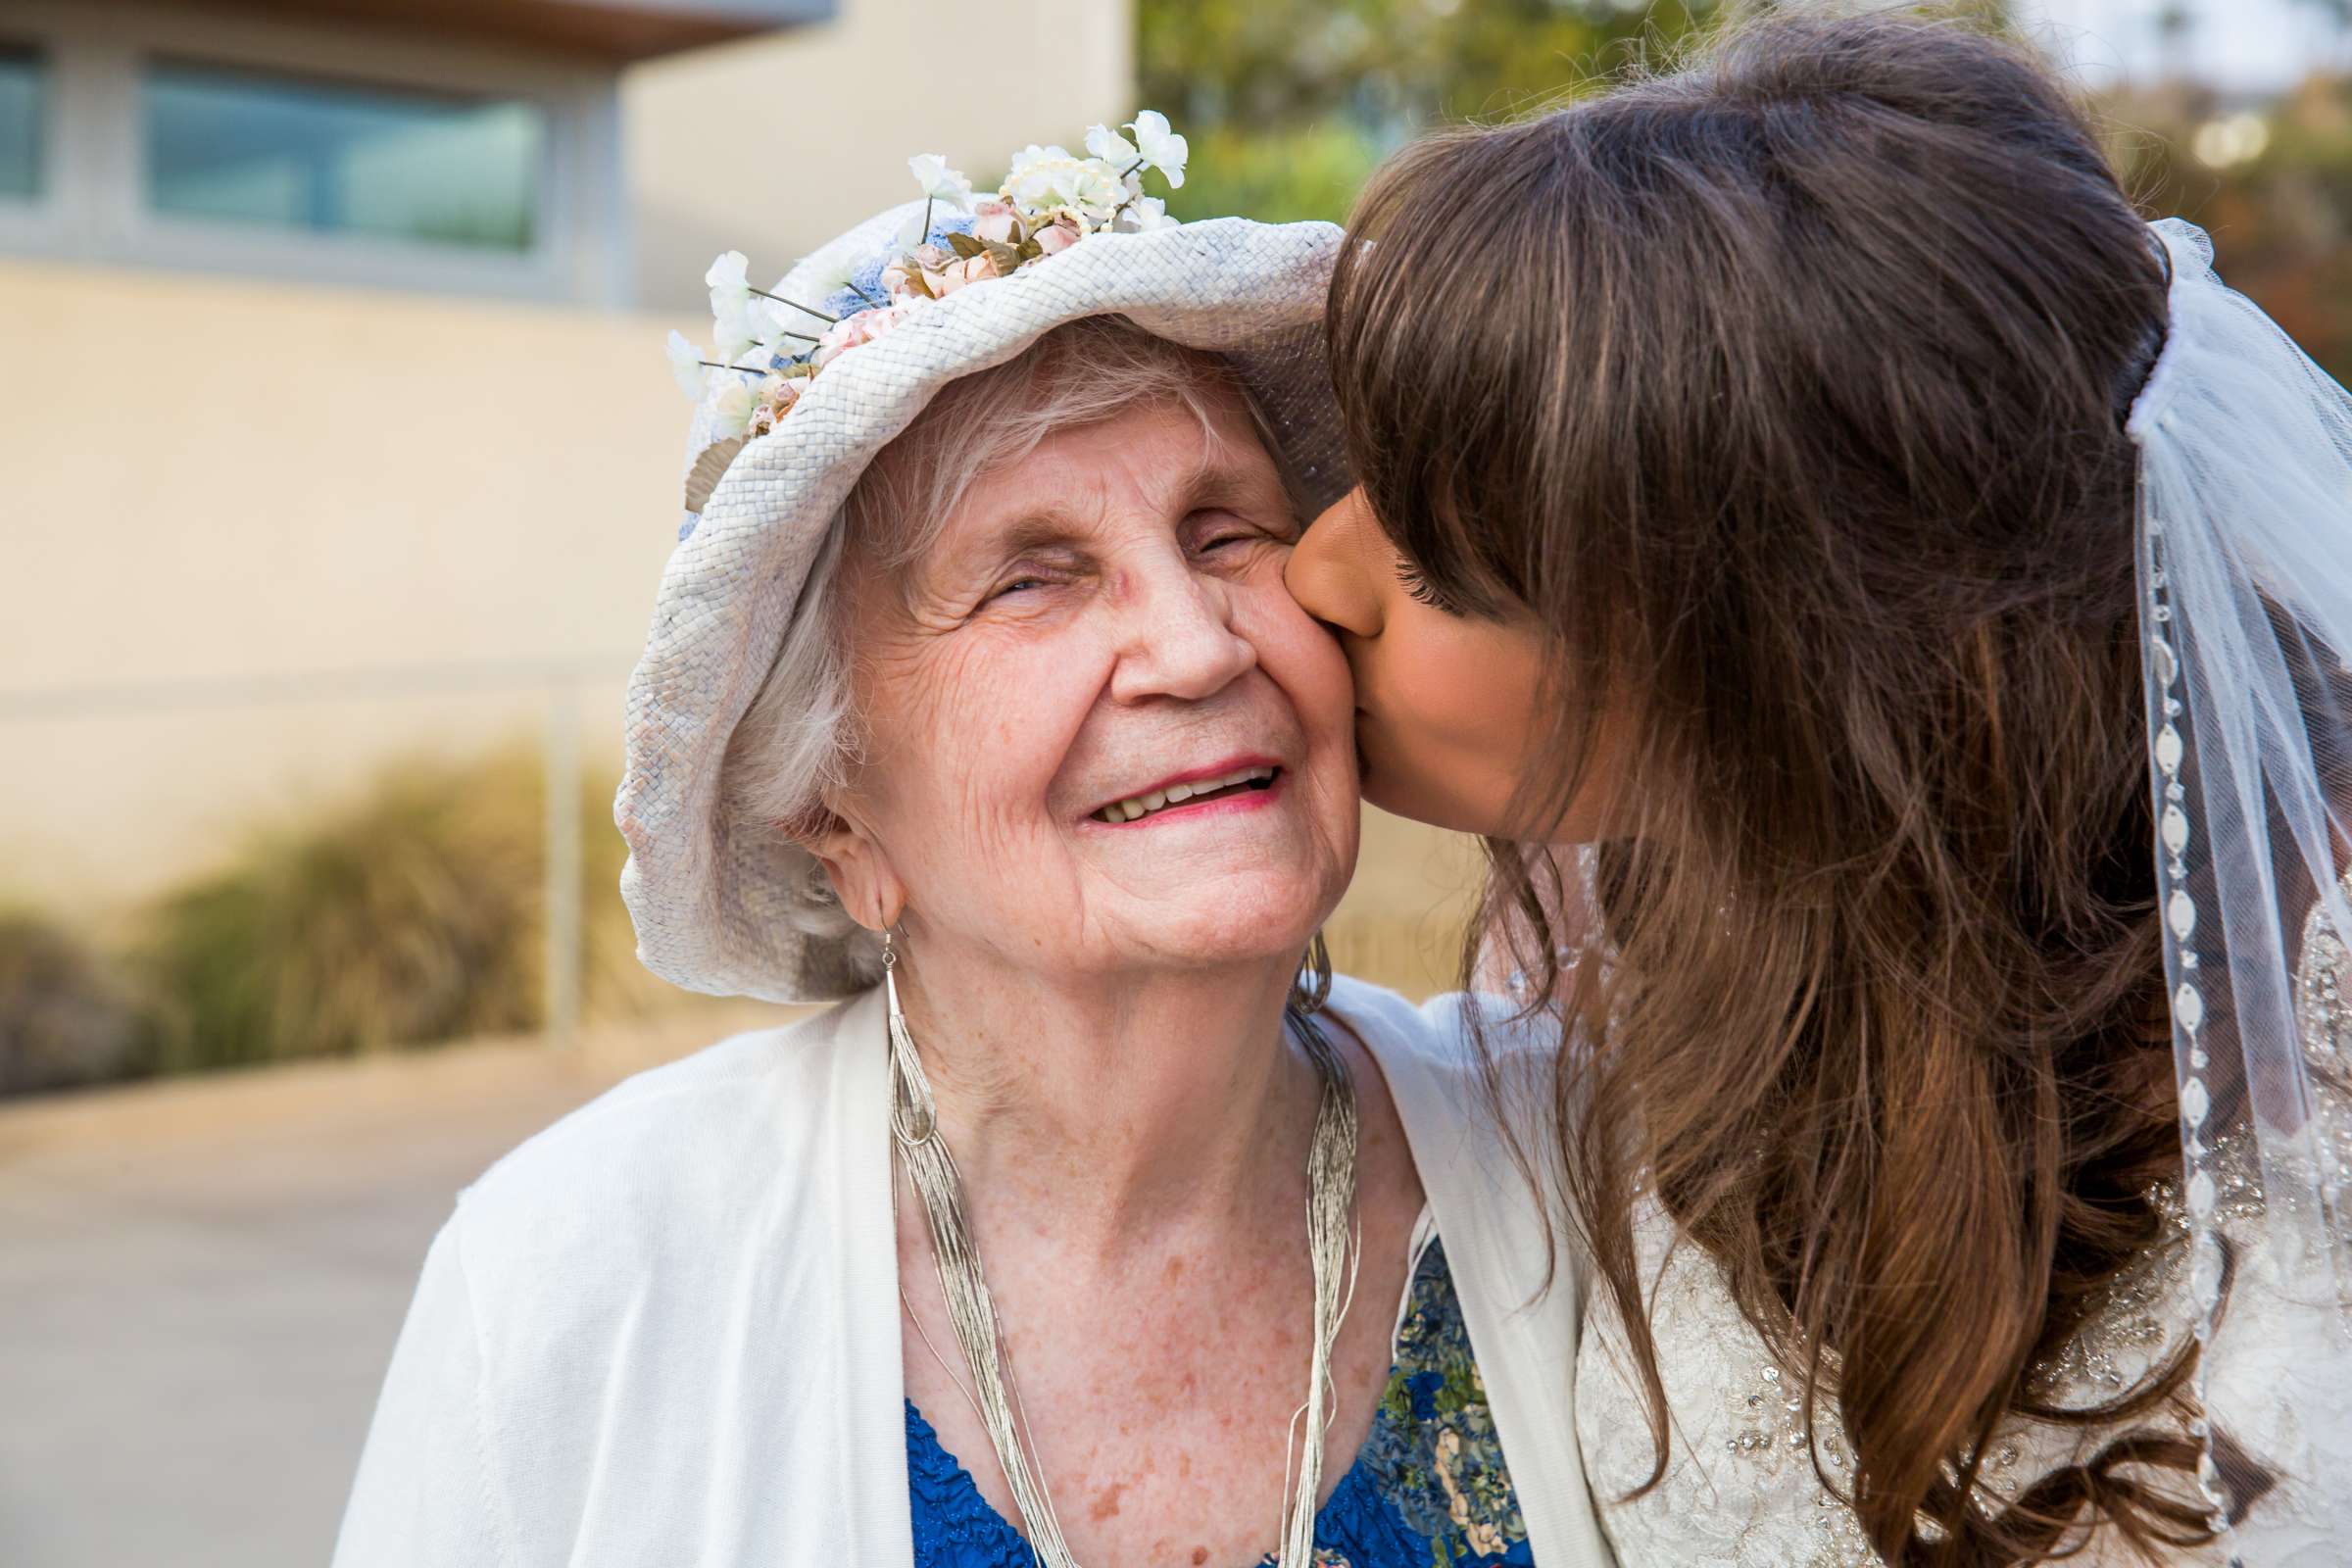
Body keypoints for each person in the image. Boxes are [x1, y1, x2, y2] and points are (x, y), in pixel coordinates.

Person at [330, 128, 1610, 1568]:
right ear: (836, 812)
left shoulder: (1597, 1175)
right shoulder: (578, 1276)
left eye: (1224, 532)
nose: (1192, 648)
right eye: (1031, 580)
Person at [1286, 14, 2351, 1567]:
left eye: (1444, 565)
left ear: (1782, 664)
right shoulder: (1635, 960)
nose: (1310, 565)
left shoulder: (2309, 1089)